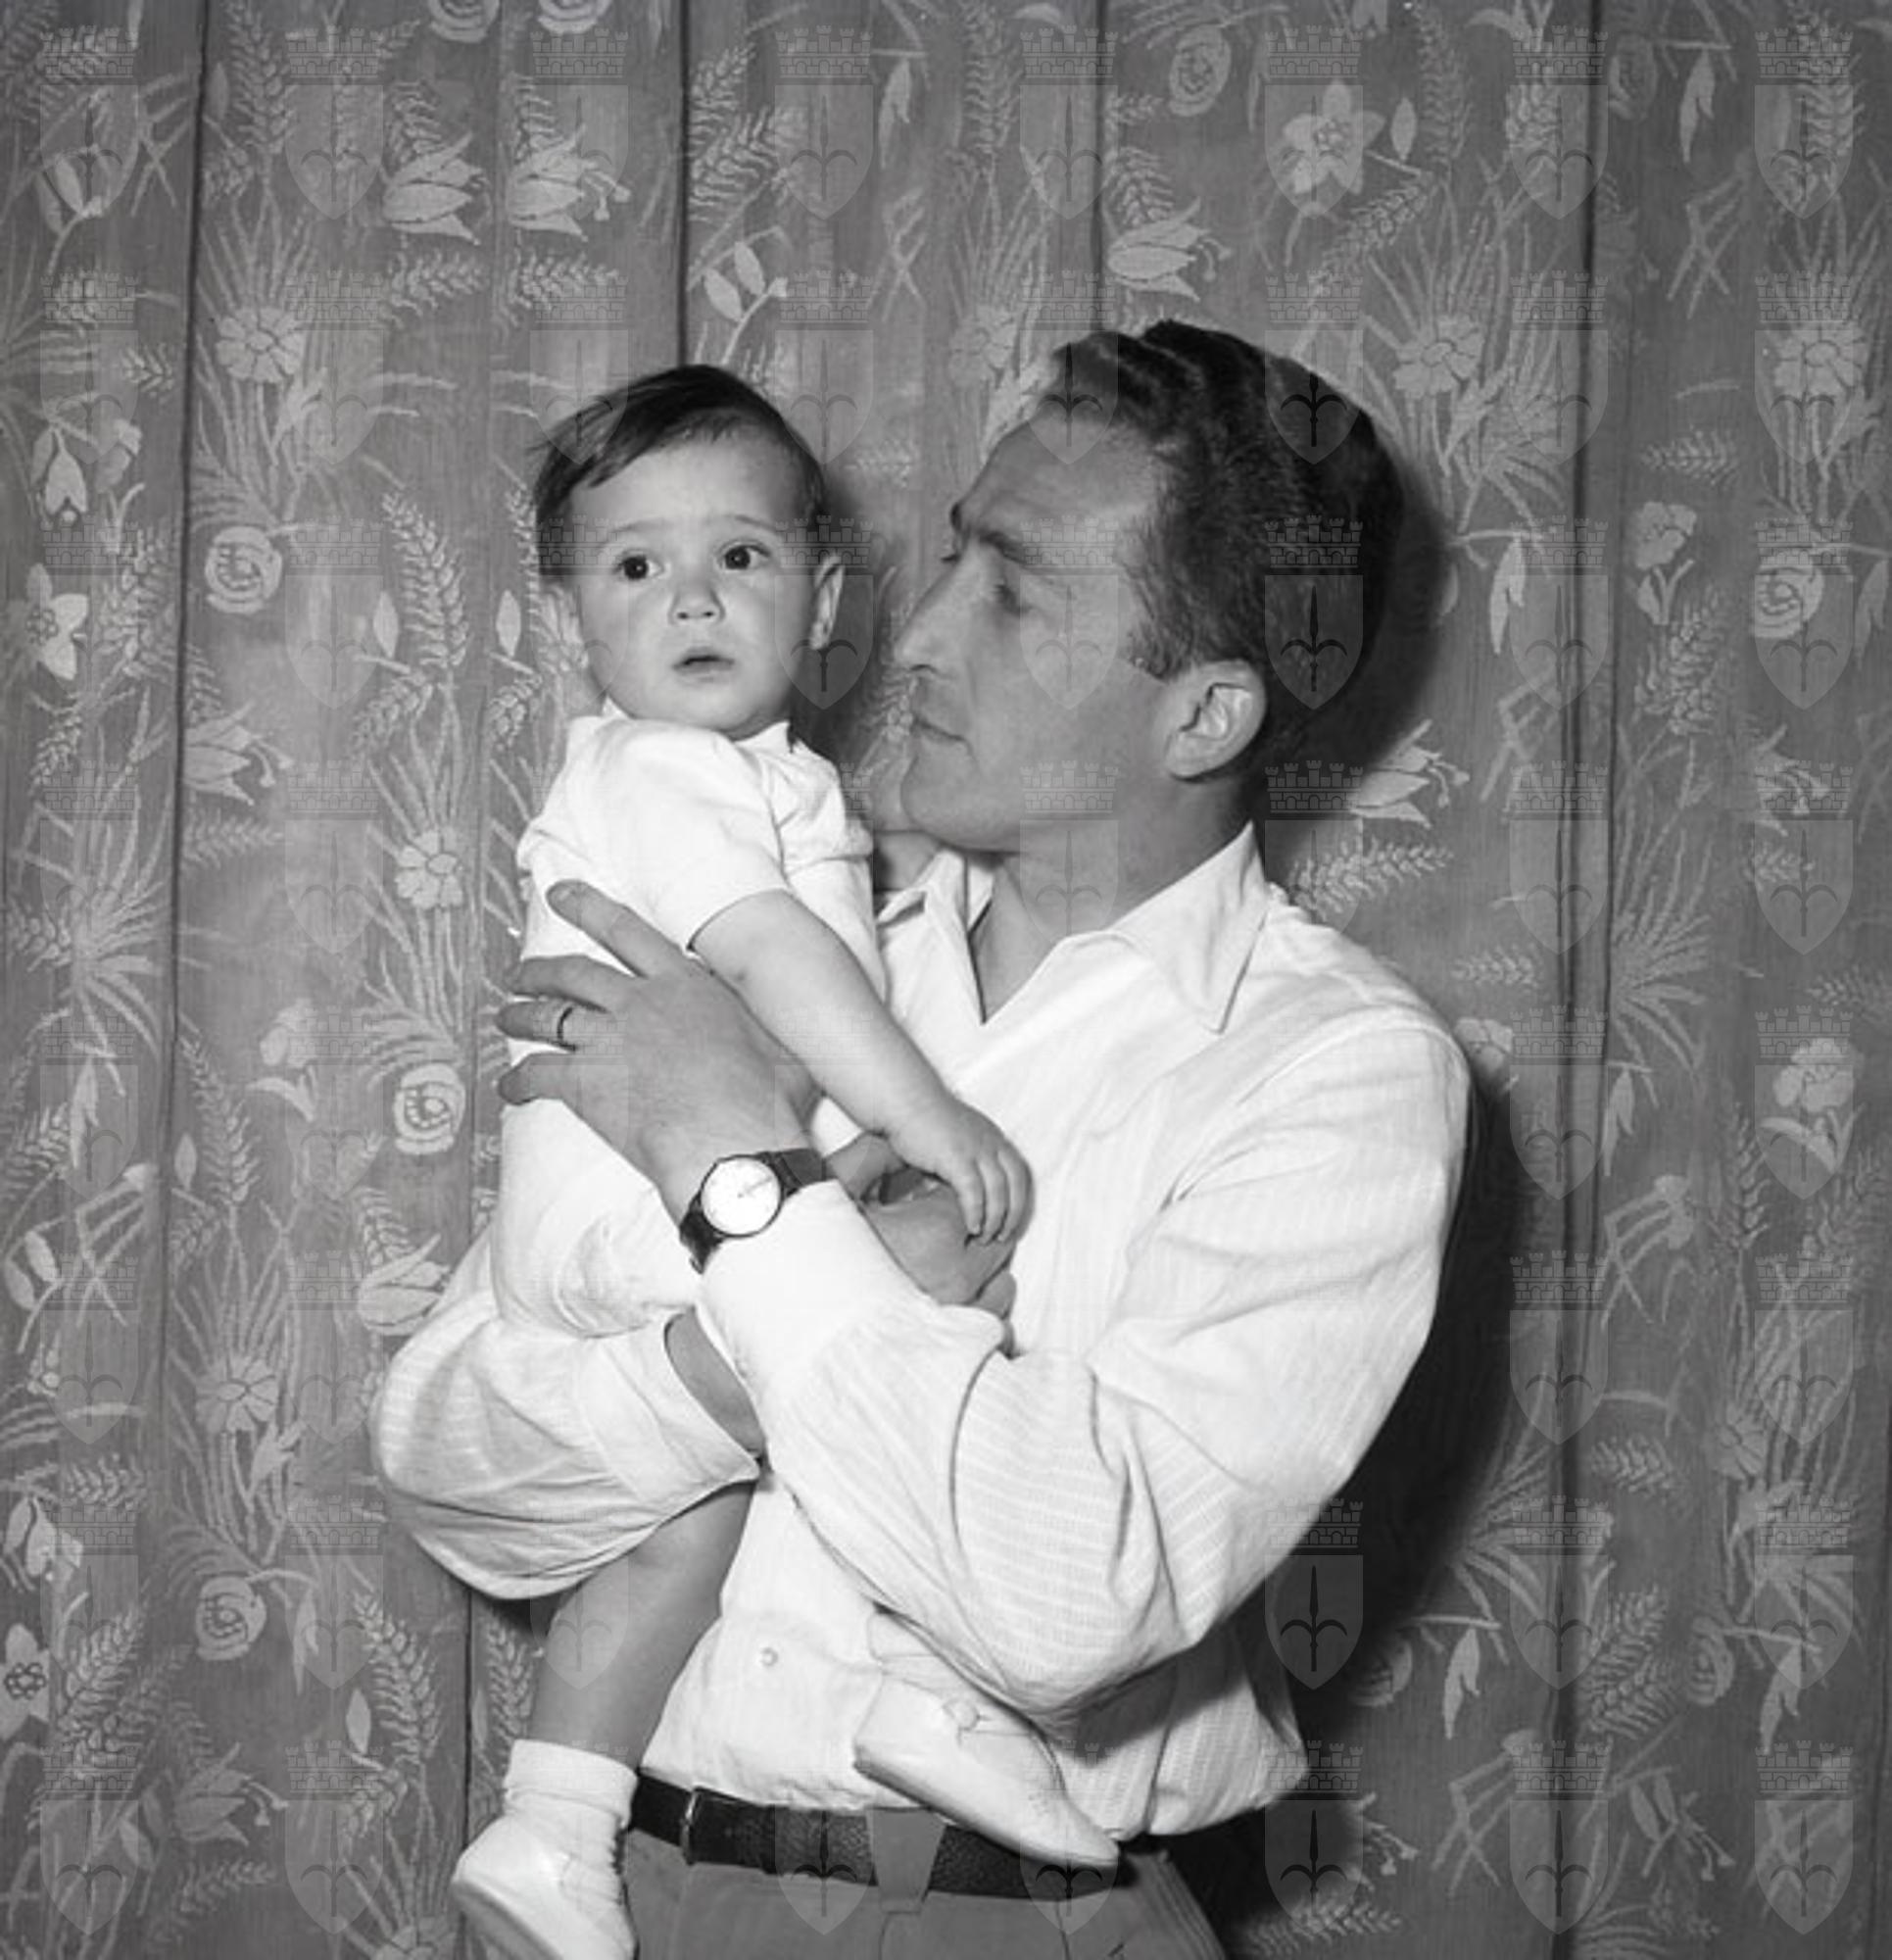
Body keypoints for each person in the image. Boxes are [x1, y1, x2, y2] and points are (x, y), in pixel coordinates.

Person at [374, 321, 1472, 1960]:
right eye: (954, 553)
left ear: (1204, 713)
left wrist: (740, 1176)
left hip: (1015, 1923)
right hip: (629, 1896)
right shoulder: (789, 944)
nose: (922, 633)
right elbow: (445, 1466)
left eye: (1011, 591)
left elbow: (1066, 1600)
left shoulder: (1337, 1072)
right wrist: (726, 1370)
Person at [391, 366, 1108, 1960]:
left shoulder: (790, 790)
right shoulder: (660, 769)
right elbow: (773, 956)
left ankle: (557, 1825)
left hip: (648, 1212)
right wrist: (923, 1117)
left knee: (703, 1509)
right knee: (896, 1313)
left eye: (741, 556)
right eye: (636, 565)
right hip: (627, 1199)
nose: (693, 598)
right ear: (573, 618)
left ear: (823, 597)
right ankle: (905, 1691)